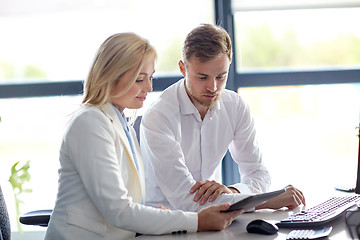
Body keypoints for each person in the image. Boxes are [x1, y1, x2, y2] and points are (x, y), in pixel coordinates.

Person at [44, 33, 244, 240]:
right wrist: (198, 221)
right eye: (140, 79)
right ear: (112, 75)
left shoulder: (124, 126)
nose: (149, 88)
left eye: (150, 78)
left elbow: (127, 205)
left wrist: (159, 216)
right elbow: (118, 210)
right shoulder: (90, 123)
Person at [140, 23, 306, 212]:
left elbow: (258, 172)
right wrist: (266, 201)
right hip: (166, 224)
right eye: (202, 77)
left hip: (219, 218)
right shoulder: (158, 116)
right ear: (183, 69)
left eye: (221, 76)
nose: (213, 87)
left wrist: (233, 191)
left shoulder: (234, 106)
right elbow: (187, 201)